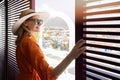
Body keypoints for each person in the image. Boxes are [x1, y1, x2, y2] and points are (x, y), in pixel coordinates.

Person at [12, 9, 85, 80]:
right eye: (36, 21)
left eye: (40, 21)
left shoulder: (23, 40)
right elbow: (49, 75)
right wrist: (71, 56)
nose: (40, 24)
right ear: (25, 23)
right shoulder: (28, 42)